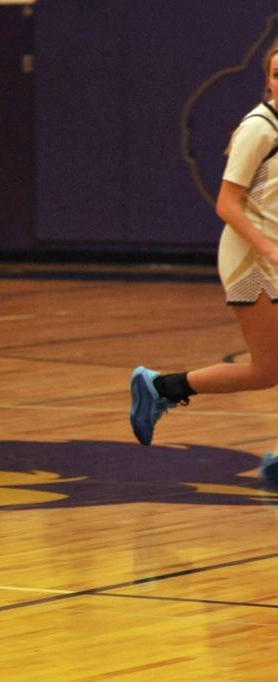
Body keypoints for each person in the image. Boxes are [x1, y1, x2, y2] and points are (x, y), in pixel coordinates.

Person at [131, 40, 278, 484]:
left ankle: (163, 388)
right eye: (276, 73)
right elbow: (227, 204)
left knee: (267, 370)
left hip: (269, 249)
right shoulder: (260, 127)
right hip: (251, 256)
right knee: (268, 368)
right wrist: (268, 246)